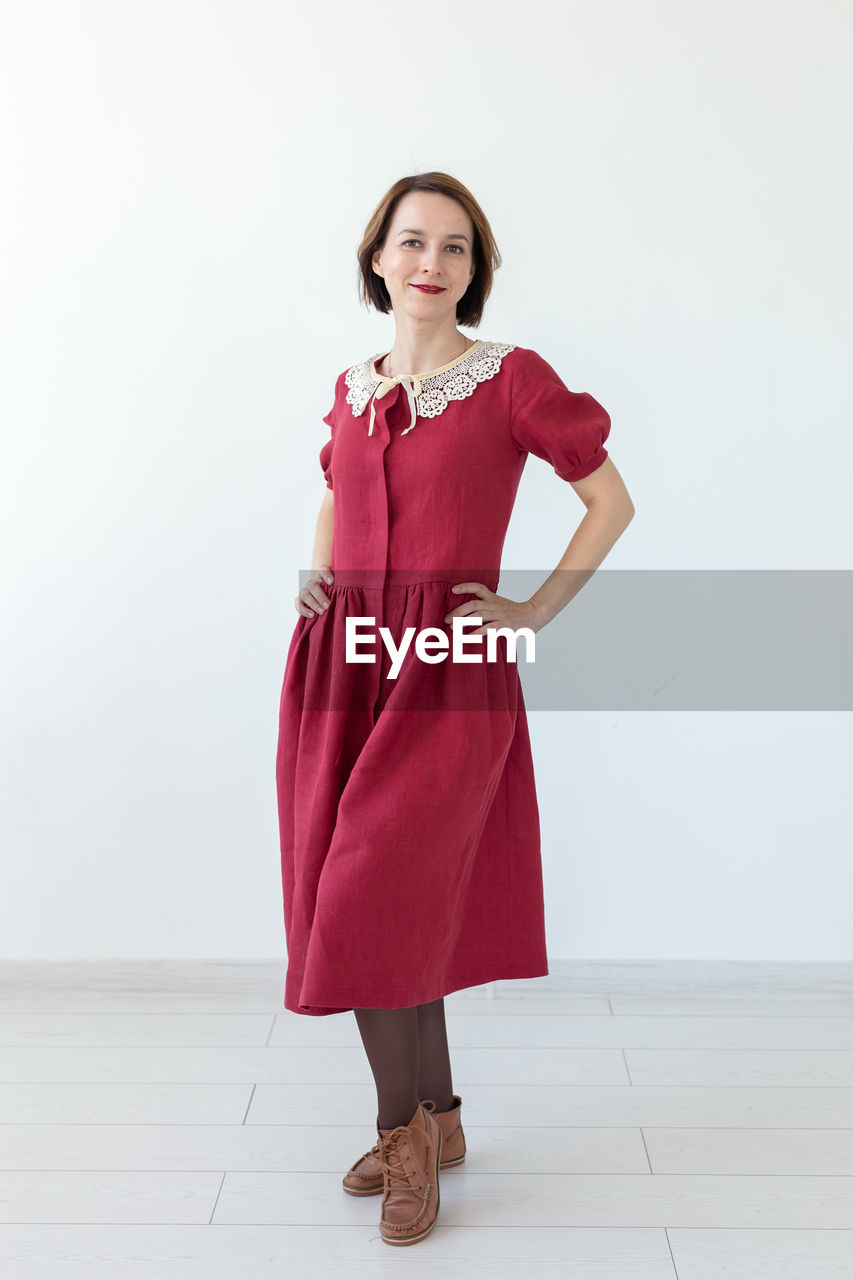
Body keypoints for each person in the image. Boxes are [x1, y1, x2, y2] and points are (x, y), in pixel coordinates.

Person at [275, 171, 635, 1246]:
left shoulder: (510, 379)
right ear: (377, 257)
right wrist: (317, 569)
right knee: (383, 898)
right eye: (412, 242)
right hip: (342, 664)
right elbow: (341, 480)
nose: (432, 263)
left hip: (445, 670)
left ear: (474, 271)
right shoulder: (354, 384)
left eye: (456, 248)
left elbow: (608, 499)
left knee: (376, 891)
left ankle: (401, 1136)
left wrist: (529, 610)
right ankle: (437, 1120)